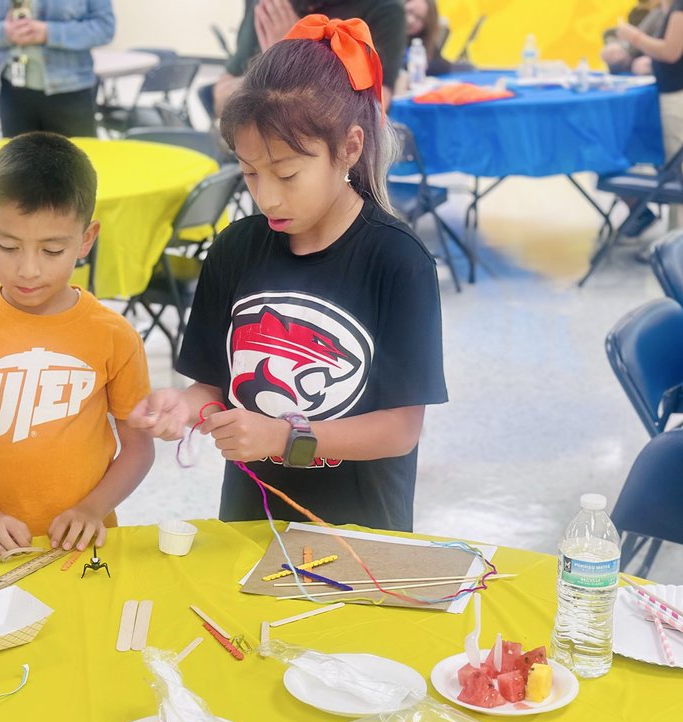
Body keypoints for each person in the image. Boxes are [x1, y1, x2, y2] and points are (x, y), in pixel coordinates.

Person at [129, 16, 447, 532]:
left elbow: (401, 430)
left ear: (349, 147)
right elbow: (213, 386)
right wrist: (182, 407)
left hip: (359, 535)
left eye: (287, 173)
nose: (267, 196)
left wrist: (284, 437)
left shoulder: (398, 260)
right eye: (251, 173)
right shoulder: (236, 248)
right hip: (250, 527)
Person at [0, 132, 154, 557]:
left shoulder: (114, 335)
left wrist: (92, 508)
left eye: (52, 250)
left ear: (86, 239)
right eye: (9, 246)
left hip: (85, 543)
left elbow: (138, 449)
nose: (28, 269)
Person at [213, 0, 405, 114]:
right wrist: (275, 62)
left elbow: (375, 107)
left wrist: (295, 55)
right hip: (254, 158)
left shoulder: (383, 8)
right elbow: (221, 98)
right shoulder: (270, 6)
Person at [618, 0, 683, 233]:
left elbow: (671, 51)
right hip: (682, 88)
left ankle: (679, 240)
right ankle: (682, 236)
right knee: (679, 166)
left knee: (679, 172)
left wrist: (633, 36)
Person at [0, 0, 114, 138]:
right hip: (12, 90)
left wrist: (48, 33)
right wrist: (5, 32)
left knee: (73, 160)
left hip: (70, 91)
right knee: (19, 161)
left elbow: (104, 28)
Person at [602, 1, 664, 75]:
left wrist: (635, 38)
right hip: (638, 52)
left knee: (641, 65)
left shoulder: (673, 12)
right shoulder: (654, 12)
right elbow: (633, 44)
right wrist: (623, 49)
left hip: (659, 58)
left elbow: (669, 51)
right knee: (612, 51)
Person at [403, 0, 452, 76]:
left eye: (419, 18)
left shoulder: (420, 40)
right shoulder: (384, 34)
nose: (410, 20)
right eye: (409, 11)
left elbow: (444, 65)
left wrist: (419, 66)